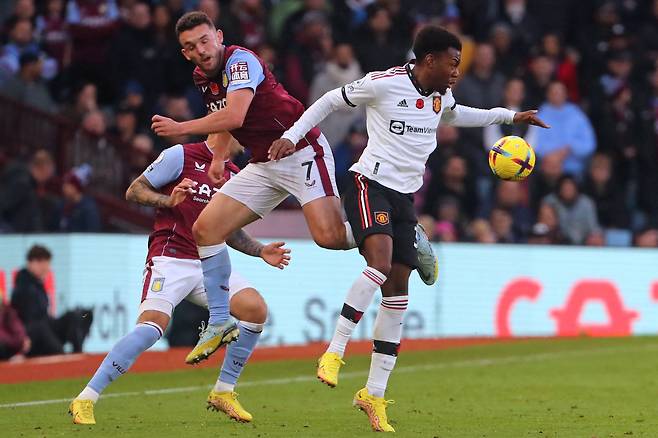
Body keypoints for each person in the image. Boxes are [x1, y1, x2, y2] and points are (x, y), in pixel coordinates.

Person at [269, 25, 548, 432]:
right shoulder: (384, 84)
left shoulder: (440, 96)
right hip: (369, 184)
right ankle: (334, 350)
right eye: (453, 63)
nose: (457, 71)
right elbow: (329, 100)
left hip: (403, 200)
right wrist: (292, 136)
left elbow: (458, 113)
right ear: (429, 60)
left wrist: (509, 116)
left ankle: (373, 394)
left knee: (398, 296)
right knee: (379, 265)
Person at [149, 11, 438, 364]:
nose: (201, 50)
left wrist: (181, 128)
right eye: (191, 47)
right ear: (185, 53)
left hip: (300, 150)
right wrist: (219, 157)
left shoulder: (240, 61)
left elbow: (236, 114)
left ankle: (407, 233)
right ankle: (220, 321)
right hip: (263, 161)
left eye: (205, 41)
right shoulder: (201, 77)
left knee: (329, 236)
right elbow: (228, 120)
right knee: (206, 229)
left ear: (219, 36)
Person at [68, 134, 290, 425]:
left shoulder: (236, 174)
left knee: (255, 310)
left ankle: (224, 391)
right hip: (170, 259)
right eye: (243, 127)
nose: (248, 134)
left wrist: (260, 251)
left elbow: (230, 230)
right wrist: (168, 200)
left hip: (209, 262)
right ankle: (86, 398)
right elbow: (135, 190)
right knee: (150, 329)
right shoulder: (181, 156)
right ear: (225, 127)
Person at [11, 245, 92, 356]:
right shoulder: (23, 286)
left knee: (83, 314)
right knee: (41, 328)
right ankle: (61, 357)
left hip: (46, 327)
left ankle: (77, 352)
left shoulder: (38, 284)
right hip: (31, 334)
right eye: (44, 265)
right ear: (33, 263)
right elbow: (30, 320)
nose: (47, 269)